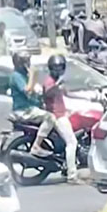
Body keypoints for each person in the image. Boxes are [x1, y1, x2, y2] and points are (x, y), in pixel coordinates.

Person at [7, 52, 56, 159]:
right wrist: (33, 75)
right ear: (20, 63)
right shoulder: (16, 76)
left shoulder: (25, 75)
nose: (28, 64)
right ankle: (37, 145)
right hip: (24, 111)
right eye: (26, 61)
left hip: (31, 108)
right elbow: (27, 90)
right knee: (50, 118)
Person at [41, 54, 79, 183]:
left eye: (60, 67)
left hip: (61, 113)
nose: (58, 70)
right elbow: (48, 92)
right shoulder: (50, 81)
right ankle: (72, 175)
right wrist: (57, 84)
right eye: (56, 68)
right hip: (57, 116)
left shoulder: (56, 81)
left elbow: (67, 93)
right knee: (72, 143)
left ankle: (67, 167)